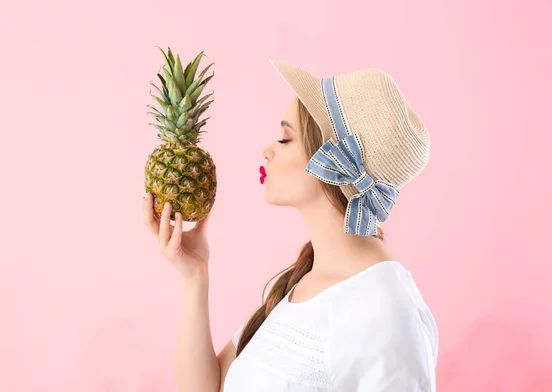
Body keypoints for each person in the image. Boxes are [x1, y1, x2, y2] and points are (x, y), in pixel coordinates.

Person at [142, 60, 439, 391]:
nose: (266, 151)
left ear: (334, 164)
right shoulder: (298, 281)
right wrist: (195, 279)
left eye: (286, 139)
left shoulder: (385, 313)